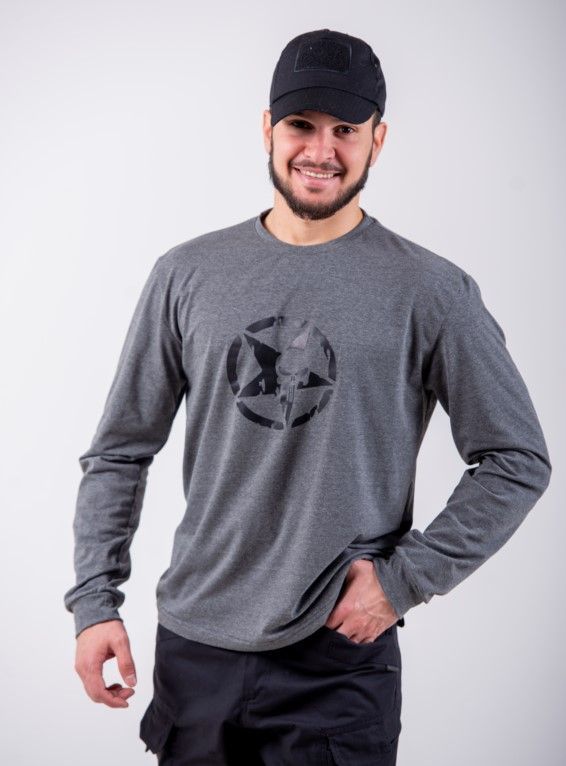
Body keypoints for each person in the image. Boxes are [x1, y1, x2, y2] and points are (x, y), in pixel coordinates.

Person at [64, 28, 552, 764]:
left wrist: (404, 581)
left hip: (337, 658)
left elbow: (516, 459)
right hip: (195, 647)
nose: (320, 150)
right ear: (267, 127)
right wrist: (94, 602)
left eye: (345, 129)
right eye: (301, 124)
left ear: (378, 140)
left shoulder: (431, 291)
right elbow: (120, 450)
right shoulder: (186, 274)